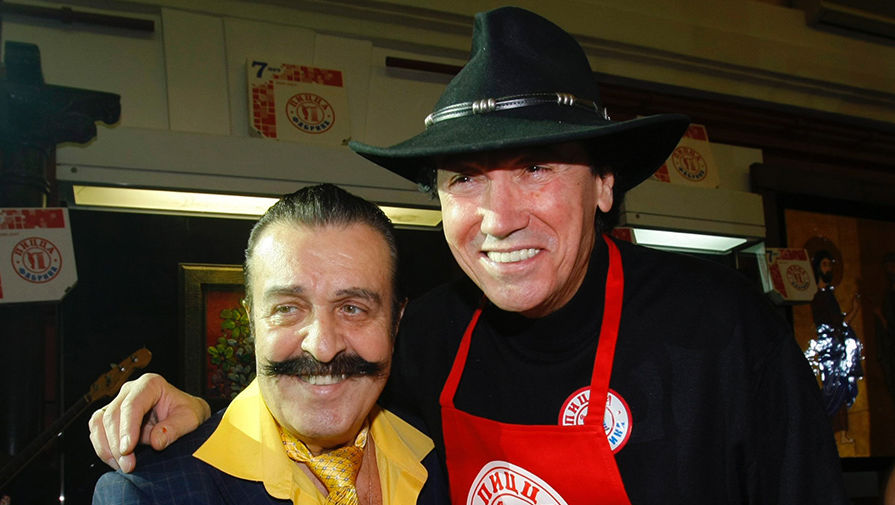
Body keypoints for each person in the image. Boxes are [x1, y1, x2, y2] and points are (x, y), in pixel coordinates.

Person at [89, 7, 849, 504]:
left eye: (536, 167)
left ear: (604, 183)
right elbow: (323, 396)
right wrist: (205, 419)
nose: (500, 218)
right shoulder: (431, 336)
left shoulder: (720, 330)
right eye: (465, 178)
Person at [91, 184, 448, 504]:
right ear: (251, 322)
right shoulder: (150, 495)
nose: (323, 347)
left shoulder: (443, 459)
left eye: (352, 308)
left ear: (395, 322)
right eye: (288, 309)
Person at [805, 248, 863, 443]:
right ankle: (829, 432)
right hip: (829, 352)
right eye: (824, 265)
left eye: (830, 265)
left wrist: (853, 310)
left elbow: (839, 324)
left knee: (842, 388)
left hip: (839, 350)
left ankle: (842, 433)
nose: (828, 268)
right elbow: (832, 325)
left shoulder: (829, 295)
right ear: (817, 268)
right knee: (833, 390)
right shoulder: (818, 297)